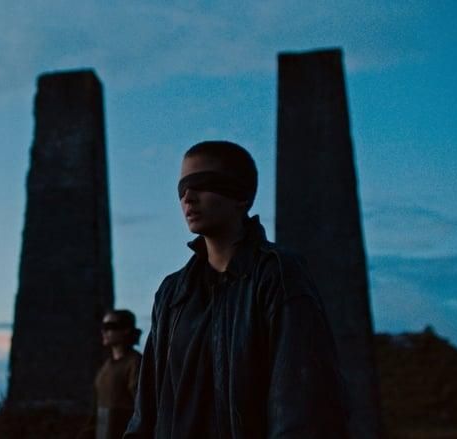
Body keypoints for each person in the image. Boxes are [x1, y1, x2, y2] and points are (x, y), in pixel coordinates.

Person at [124, 141, 348, 438]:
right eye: (182, 188)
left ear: (240, 196)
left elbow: (302, 402)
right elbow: (146, 410)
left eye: (203, 184)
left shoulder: (278, 275)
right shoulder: (172, 293)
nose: (188, 197)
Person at [94, 310, 142, 439]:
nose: (103, 331)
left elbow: (142, 407)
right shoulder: (106, 366)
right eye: (103, 327)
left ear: (126, 330)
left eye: (109, 327)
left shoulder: (136, 363)